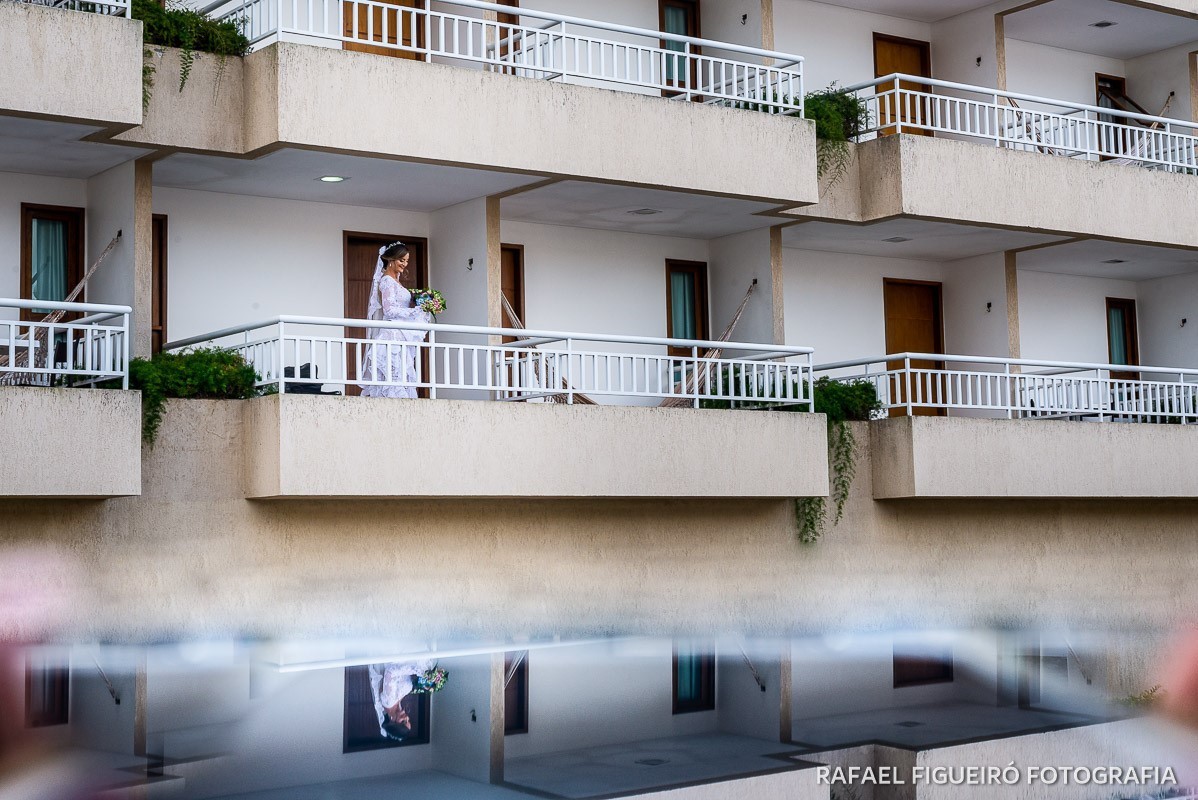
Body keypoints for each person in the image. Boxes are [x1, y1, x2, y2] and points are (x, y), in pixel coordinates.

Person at [359, 242, 431, 398]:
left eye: (406, 261)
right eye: (401, 260)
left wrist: (422, 304)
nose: (404, 264)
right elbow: (389, 310)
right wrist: (415, 311)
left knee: (403, 374)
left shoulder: (396, 281)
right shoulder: (386, 280)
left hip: (401, 334)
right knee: (393, 377)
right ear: (391, 259)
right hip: (392, 335)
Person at [367, 659, 435, 741]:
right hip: (406, 659)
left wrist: (417, 670)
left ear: (392, 721)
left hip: (396, 658)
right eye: (408, 720)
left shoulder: (388, 701)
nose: (406, 717)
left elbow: (390, 672)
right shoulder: (397, 705)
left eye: (403, 721)